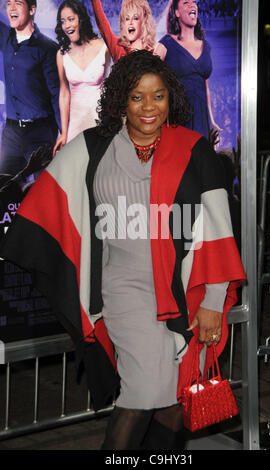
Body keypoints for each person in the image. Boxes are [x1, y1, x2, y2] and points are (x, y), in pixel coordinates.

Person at [0, 50, 245, 450]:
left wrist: (215, 300)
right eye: (137, 96)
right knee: (141, 393)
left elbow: (217, 230)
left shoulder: (193, 149)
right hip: (123, 290)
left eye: (159, 95)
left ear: (172, 98)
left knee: (172, 401)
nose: (149, 107)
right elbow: (44, 201)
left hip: (185, 292)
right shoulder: (93, 147)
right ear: (120, 101)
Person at [0, 0, 60, 177]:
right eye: (8, 3)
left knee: (42, 193)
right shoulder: (5, 38)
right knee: (5, 191)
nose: (11, 7)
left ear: (32, 9)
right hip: (11, 133)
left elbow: (57, 94)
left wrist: (63, 133)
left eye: (18, 3)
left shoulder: (48, 48)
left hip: (40, 133)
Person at [155, 0, 222, 139]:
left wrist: (211, 120)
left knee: (199, 158)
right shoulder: (166, 44)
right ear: (176, 12)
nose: (192, 5)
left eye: (194, 2)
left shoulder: (206, 46)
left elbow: (205, 86)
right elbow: (149, 80)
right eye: (186, 2)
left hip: (201, 121)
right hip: (177, 120)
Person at [53, 0, 111, 154]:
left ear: (81, 19)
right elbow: (64, 93)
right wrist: (64, 133)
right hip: (75, 126)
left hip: (100, 121)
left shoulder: (103, 48)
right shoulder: (61, 54)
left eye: (71, 19)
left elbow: (111, 89)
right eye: (63, 22)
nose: (67, 26)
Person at [91, 0, 156, 62]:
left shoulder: (154, 54)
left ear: (144, 22)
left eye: (135, 18)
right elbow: (101, 21)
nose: (130, 22)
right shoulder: (118, 48)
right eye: (127, 19)